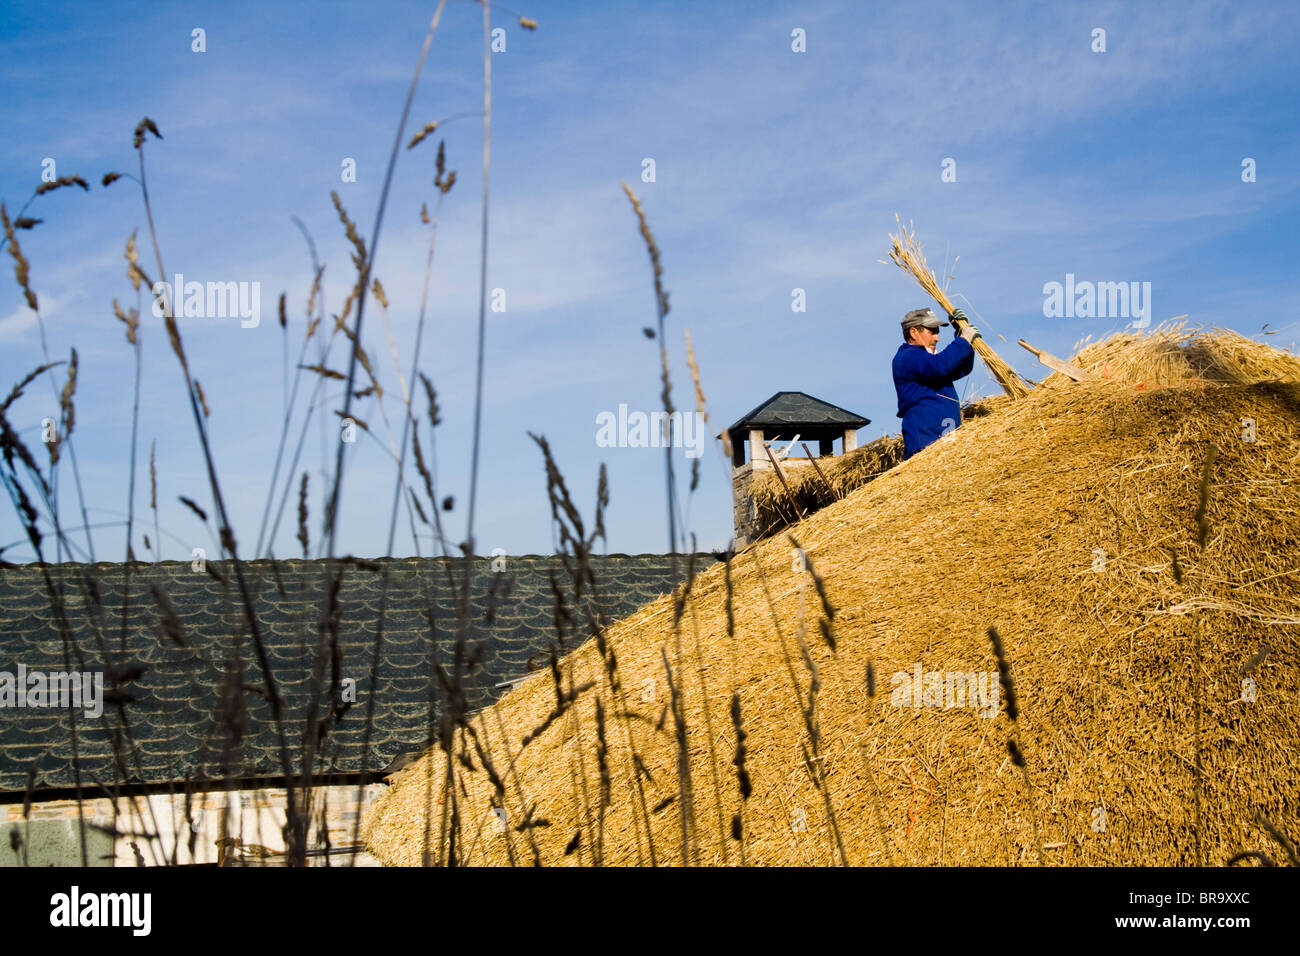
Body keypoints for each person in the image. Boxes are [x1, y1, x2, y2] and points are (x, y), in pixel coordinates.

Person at [892, 307, 980, 459]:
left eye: (937, 332)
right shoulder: (908, 356)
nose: (937, 338)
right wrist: (963, 340)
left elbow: (960, 368)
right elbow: (940, 366)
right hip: (926, 440)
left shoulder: (928, 360)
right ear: (914, 332)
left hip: (948, 437)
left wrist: (963, 337)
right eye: (932, 331)